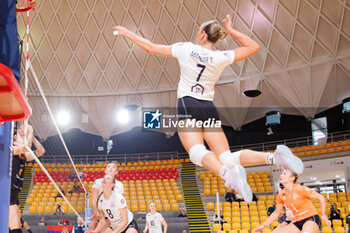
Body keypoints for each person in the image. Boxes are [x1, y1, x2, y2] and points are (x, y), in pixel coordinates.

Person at [112, 14, 304, 203]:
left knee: (196, 153)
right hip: (208, 107)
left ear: (203, 34)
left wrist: (129, 33)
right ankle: (275, 157)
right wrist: (231, 30)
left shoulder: (186, 48)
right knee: (227, 156)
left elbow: (152, 48)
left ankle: (228, 175)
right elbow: (254, 47)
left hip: (189, 103)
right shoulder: (220, 57)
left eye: (198, 32)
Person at [253, 169, 331, 233]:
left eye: (284, 174)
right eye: (281, 173)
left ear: (292, 178)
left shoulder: (300, 189)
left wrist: (323, 214)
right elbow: (276, 212)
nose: (281, 175)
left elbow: (320, 197)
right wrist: (263, 226)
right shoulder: (281, 194)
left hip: (310, 218)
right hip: (297, 220)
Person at [9, 123, 45, 233]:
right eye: (22, 138)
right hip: (7, 191)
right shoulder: (11, 150)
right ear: (15, 141)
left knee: (16, 227)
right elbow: (26, 147)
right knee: (14, 225)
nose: (24, 139)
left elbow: (41, 151)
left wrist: (32, 137)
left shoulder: (23, 156)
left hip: (14, 192)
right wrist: (30, 132)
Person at [89, 163, 124, 232]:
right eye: (109, 167)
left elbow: (119, 203)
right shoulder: (98, 182)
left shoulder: (119, 184)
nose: (111, 168)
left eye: (113, 167)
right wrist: (96, 216)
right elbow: (94, 201)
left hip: (112, 215)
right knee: (93, 229)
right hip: (100, 213)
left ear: (116, 172)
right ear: (105, 171)